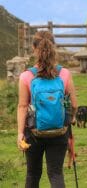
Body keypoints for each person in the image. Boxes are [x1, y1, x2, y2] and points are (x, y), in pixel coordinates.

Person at [17, 31, 78, 188]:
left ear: (33, 48)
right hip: (59, 131)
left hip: (33, 131)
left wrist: (20, 133)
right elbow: (74, 104)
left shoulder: (26, 76)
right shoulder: (64, 74)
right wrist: (71, 119)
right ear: (54, 47)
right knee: (56, 173)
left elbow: (23, 106)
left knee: (33, 173)